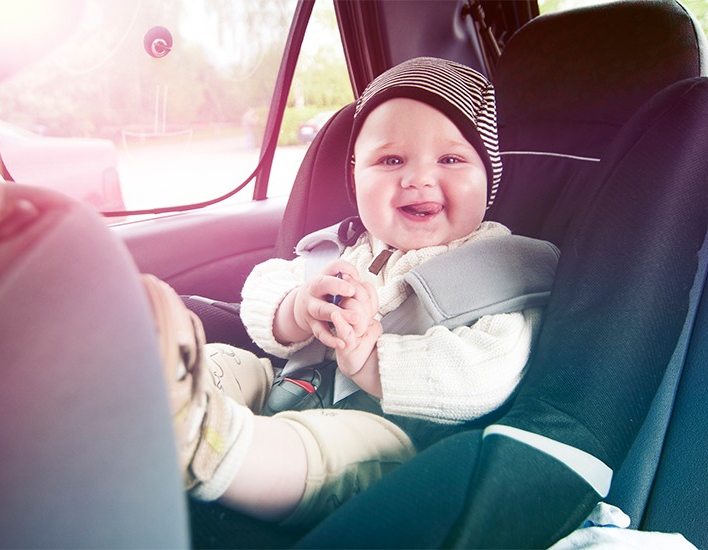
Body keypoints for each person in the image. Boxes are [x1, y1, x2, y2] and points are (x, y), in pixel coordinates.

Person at [144, 57, 544, 527]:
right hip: (292, 384)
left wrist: (372, 360)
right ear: (356, 176)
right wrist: (296, 308)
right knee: (234, 366)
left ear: (488, 175)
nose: (418, 178)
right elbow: (265, 283)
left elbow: (486, 372)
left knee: (327, 449)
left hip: (393, 441)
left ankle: (207, 444)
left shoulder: (499, 270)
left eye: (451, 159)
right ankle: (154, 393)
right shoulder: (347, 247)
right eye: (391, 160)